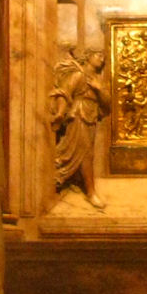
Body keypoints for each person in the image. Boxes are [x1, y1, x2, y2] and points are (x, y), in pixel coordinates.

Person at [50, 48, 111, 209]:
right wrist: (60, 113)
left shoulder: (97, 79)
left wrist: (99, 89)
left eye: (103, 57)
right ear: (88, 57)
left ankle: (72, 178)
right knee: (84, 153)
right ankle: (91, 192)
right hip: (79, 114)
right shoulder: (79, 75)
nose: (102, 59)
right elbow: (64, 93)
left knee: (83, 152)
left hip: (91, 116)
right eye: (98, 55)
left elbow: (107, 103)